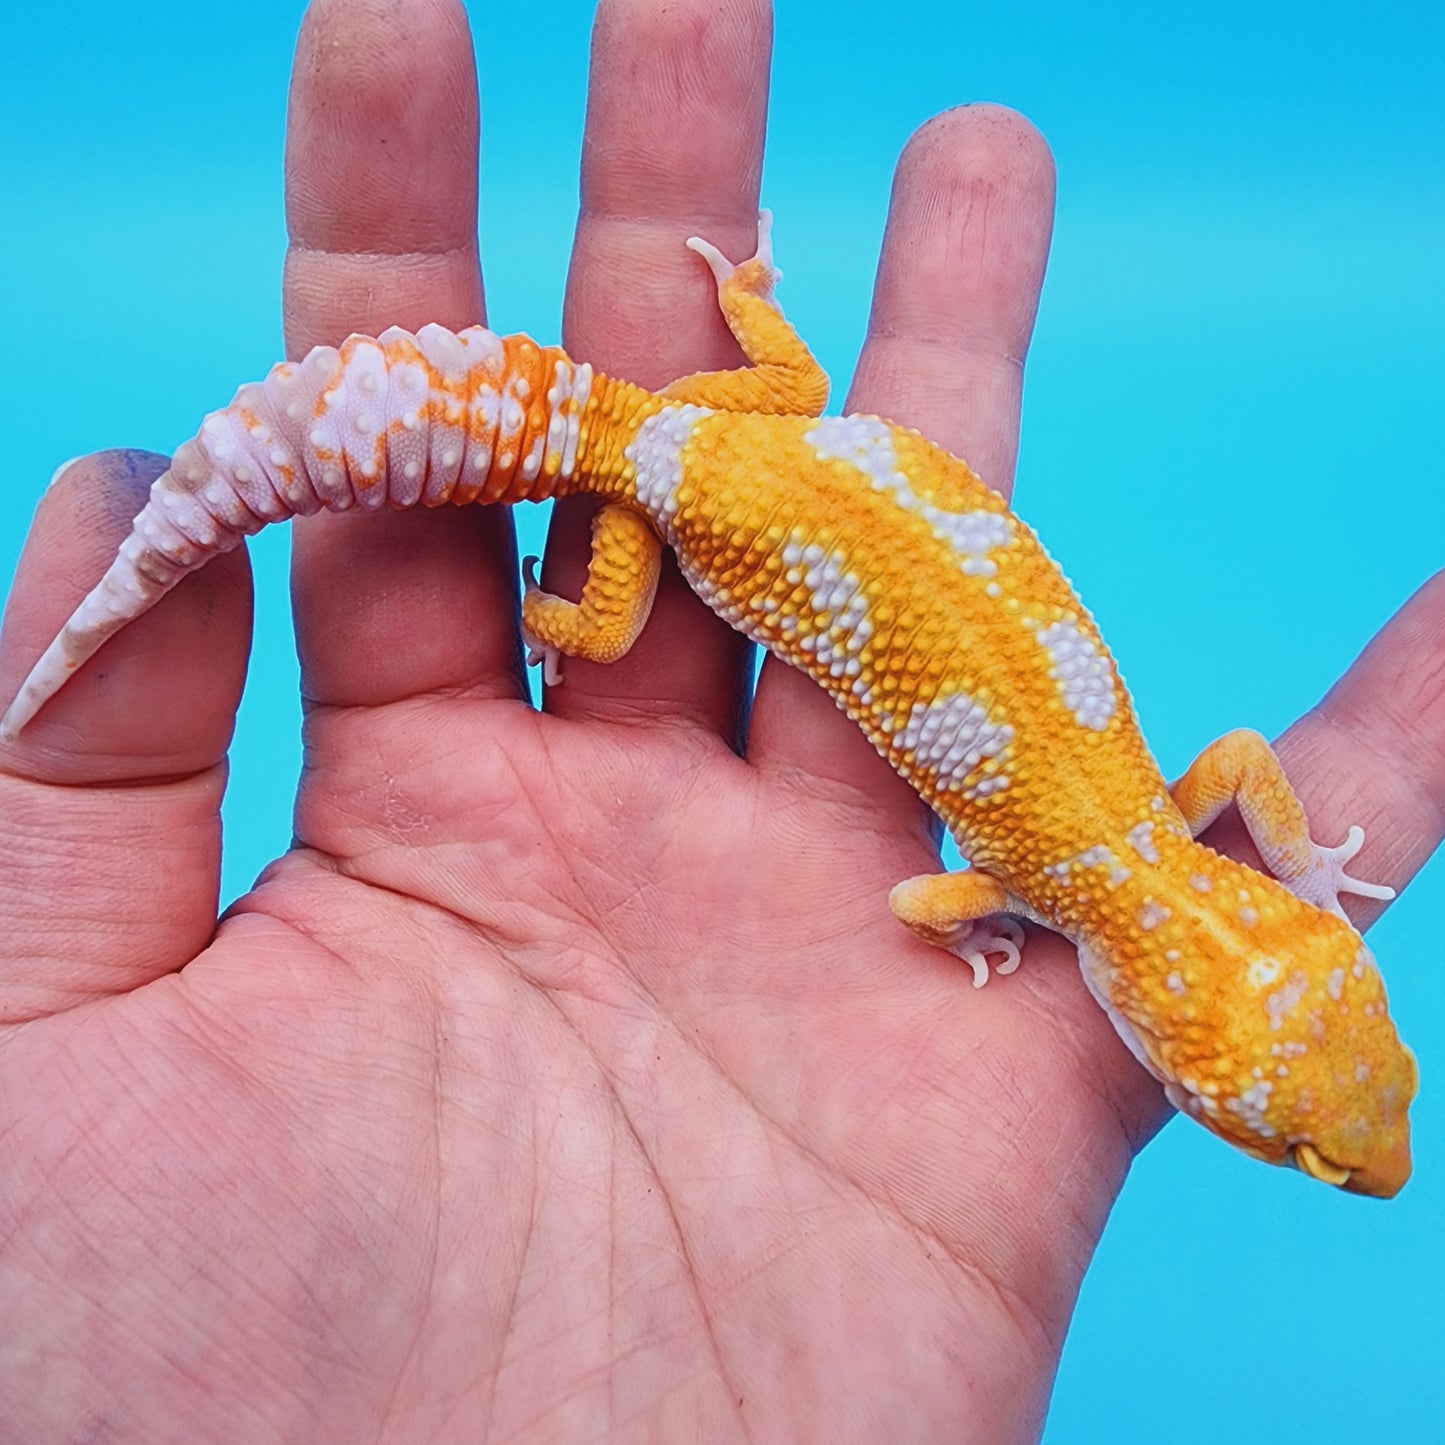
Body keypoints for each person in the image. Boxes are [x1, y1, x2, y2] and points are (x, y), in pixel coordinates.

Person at [1, 0, 1440, 1439]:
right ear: (1187, 1061)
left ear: (1271, 928)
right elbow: (926, 890)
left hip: (741, 422)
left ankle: (604, 420)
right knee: (599, 632)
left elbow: (1246, 762)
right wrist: (994, 925)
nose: (1345, 1164)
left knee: (756, 427)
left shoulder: (1157, 820)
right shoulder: (1061, 877)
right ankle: (551, 611)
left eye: (1314, 1143)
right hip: (662, 484)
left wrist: (1271, 854)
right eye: (1305, 1153)